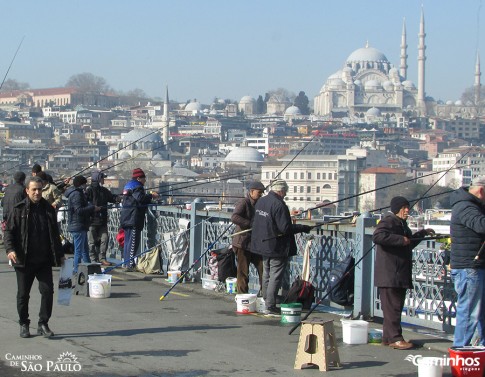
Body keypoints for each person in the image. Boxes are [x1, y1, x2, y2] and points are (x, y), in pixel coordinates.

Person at [4, 176, 65, 338]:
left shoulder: (48, 209)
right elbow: (9, 232)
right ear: (27, 191)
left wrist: (60, 255)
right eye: (34, 189)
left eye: (40, 189)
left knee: (48, 291)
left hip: (43, 259)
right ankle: (24, 323)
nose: (37, 192)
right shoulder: (18, 210)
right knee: (23, 294)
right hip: (24, 260)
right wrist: (10, 249)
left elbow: (54, 234)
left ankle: (43, 323)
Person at [373, 196, 434, 350]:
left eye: (408, 207)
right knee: (393, 307)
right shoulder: (389, 221)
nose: (407, 210)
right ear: (396, 209)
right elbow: (378, 236)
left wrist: (422, 233)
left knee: (393, 307)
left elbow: (408, 242)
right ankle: (396, 338)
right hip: (391, 273)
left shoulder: (401, 223)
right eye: (404, 208)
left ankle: (388, 338)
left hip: (397, 273)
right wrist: (401, 240)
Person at [250, 179, 311, 316]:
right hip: (276, 245)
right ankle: (270, 305)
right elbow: (285, 228)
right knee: (275, 275)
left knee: (266, 273)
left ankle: (266, 300)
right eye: (285, 191)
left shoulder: (261, 201)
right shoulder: (279, 204)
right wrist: (302, 228)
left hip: (262, 243)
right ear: (281, 191)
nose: (285, 194)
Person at [449, 176, 485, 347]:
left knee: (479, 313)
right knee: (469, 312)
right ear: (481, 190)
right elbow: (481, 225)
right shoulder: (465, 206)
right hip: (469, 268)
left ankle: (479, 351)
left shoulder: (469, 205)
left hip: (474, 266)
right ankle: (460, 352)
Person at [120, 168, 159, 271]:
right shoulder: (137, 186)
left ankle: (126, 262)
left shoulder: (128, 185)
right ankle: (130, 264)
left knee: (128, 241)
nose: (145, 181)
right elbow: (140, 198)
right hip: (133, 218)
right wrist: (151, 196)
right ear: (138, 178)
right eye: (143, 179)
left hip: (126, 217)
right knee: (133, 242)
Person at [231, 181, 265, 294]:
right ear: (251, 192)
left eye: (262, 193)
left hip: (256, 243)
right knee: (243, 272)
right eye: (259, 192)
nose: (261, 195)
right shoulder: (244, 202)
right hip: (243, 243)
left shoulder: (260, 204)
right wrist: (249, 223)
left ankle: (264, 294)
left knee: (263, 269)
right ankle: (242, 296)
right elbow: (235, 217)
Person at [65, 176, 100, 274]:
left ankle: (89, 270)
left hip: (80, 225)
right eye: (85, 184)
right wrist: (92, 208)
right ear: (81, 184)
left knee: (84, 250)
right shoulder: (77, 194)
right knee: (79, 251)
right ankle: (76, 271)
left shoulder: (75, 193)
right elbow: (79, 210)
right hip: (78, 225)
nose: (86, 186)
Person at [85, 171, 118, 266]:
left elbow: (112, 198)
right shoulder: (89, 190)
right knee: (91, 242)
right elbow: (85, 203)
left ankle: (102, 258)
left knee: (105, 239)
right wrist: (93, 208)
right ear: (98, 179)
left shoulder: (104, 191)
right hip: (92, 221)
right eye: (103, 178)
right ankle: (93, 259)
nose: (104, 180)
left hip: (102, 220)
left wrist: (119, 198)